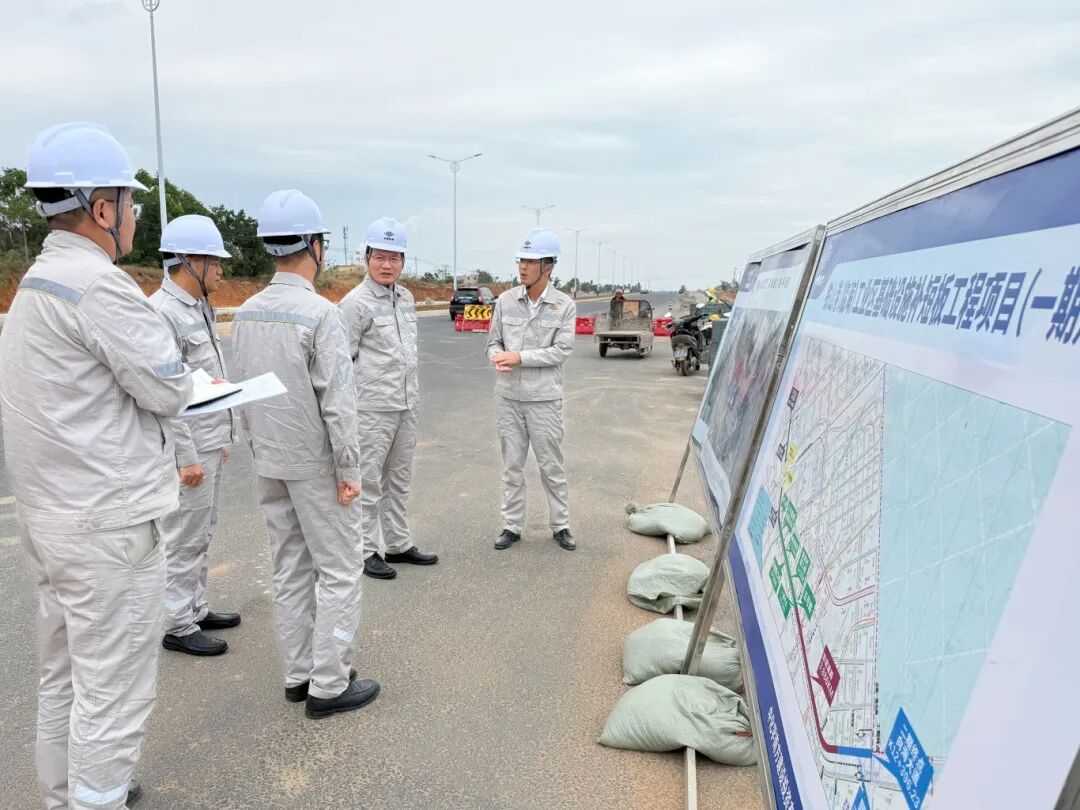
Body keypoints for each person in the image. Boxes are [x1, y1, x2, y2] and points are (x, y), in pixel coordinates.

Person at [0, 122, 194, 809]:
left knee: (66, 677)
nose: (134, 215)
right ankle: (98, 796)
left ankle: (69, 796)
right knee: (113, 690)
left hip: (53, 518)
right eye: (130, 202)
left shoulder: (38, 282)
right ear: (103, 207)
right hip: (107, 526)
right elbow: (169, 388)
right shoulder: (98, 285)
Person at [232, 189, 378, 719]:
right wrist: (350, 469)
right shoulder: (320, 314)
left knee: (290, 569)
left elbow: (240, 391)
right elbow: (338, 402)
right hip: (316, 465)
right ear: (315, 245)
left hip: (270, 461)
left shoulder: (246, 313)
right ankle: (330, 683)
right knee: (339, 571)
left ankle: (299, 675)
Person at [149, 215, 239, 657]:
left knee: (202, 530)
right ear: (189, 261)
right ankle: (177, 623)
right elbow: (166, 395)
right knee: (184, 535)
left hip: (208, 438)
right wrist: (186, 457)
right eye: (214, 262)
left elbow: (200, 379)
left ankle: (195, 607)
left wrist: (220, 437)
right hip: (188, 448)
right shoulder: (161, 313)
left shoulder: (198, 307)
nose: (220, 270)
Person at [338, 217, 438, 580]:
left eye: (394, 258)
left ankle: (397, 543)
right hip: (371, 409)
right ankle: (365, 550)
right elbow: (340, 362)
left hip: (405, 405)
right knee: (368, 482)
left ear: (403, 261)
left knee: (399, 480)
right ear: (366, 257)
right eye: (379, 257)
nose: (386, 265)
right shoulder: (354, 304)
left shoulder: (406, 297)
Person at [486, 228, 577, 552]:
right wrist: (497, 357)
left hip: (544, 400)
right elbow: (493, 341)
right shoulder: (506, 301)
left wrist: (519, 357)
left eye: (531, 261)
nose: (523, 267)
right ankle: (511, 526)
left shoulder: (564, 305)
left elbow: (561, 351)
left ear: (548, 267)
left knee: (551, 465)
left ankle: (560, 525)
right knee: (511, 466)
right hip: (508, 398)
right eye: (520, 260)